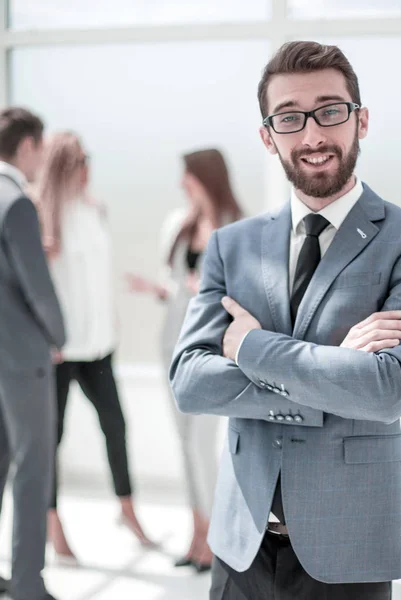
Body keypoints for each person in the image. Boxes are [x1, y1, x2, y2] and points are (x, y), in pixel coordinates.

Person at [170, 41, 401, 599]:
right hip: (240, 543)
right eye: (289, 118)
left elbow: (387, 390)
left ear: (360, 120)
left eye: (329, 111)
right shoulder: (232, 245)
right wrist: (337, 370)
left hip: (350, 548)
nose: (313, 135)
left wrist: (250, 346)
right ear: (267, 135)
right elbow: (189, 382)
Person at [34, 131, 153, 563]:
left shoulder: (95, 208)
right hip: (60, 351)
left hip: (100, 345)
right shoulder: (40, 212)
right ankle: (52, 522)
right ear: (63, 165)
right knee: (53, 439)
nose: (88, 167)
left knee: (116, 427)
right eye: (80, 160)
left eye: (88, 158)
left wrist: (114, 321)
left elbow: (99, 276)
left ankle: (127, 510)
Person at [127, 149, 242, 572]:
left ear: (206, 178)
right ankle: (198, 536)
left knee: (200, 445)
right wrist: (160, 289)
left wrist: (197, 291)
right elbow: (177, 286)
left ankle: (216, 538)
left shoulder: (237, 228)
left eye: (187, 177)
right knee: (184, 444)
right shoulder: (179, 224)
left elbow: (241, 295)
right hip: (172, 345)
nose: (181, 184)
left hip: (212, 353)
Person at [0, 107, 65, 600]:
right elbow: (37, 289)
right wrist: (58, 334)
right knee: (32, 468)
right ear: (26, 147)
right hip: (21, 356)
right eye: (40, 148)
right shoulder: (17, 202)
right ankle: (27, 585)